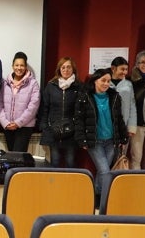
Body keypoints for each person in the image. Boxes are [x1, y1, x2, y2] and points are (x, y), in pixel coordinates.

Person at [75, 68, 128, 196]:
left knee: (102, 171)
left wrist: (123, 137)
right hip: (95, 141)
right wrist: (81, 139)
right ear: (95, 81)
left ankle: (97, 196)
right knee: (105, 171)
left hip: (111, 140)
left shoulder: (114, 97)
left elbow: (119, 118)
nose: (106, 84)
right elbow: (79, 120)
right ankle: (107, 198)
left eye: (108, 81)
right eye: (103, 80)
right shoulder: (85, 97)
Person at [38, 57, 81, 167]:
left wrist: (77, 127)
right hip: (54, 130)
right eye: (63, 67)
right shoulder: (51, 86)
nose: (66, 70)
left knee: (70, 161)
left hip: (72, 131)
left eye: (68, 67)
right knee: (55, 161)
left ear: (73, 69)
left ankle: (69, 184)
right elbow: (45, 107)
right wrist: (44, 126)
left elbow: (81, 109)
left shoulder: (79, 86)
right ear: (59, 69)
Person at [0, 52, 40, 152]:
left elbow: (33, 107)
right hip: (8, 126)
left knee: (18, 157)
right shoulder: (5, 83)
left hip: (24, 127)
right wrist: (5, 122)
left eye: (22, 65)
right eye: (17, 65)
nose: (19, 68)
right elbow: (0, 103)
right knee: (11, 156)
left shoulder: (33, 84)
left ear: (25, 67)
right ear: (12, 66)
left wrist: (18, 123)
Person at [109, 56, 137, 136]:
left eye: (126, 69)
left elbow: (132, 106)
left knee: (122, 148)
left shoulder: (128, 84)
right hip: (107, 125)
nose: (124, 72)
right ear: (113, 68)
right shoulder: (105, 83)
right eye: (122, 69)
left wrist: (131, 127)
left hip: (123, 125)